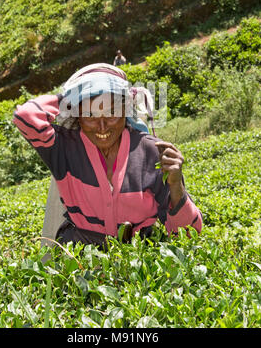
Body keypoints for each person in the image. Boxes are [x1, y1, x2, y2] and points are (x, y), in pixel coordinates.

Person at [13, 63, 202, 248]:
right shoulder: (64, 148)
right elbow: (25, 116)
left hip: (138, 260)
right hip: (80, 260)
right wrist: (73, 94)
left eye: (112, 113)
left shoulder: (151, 152)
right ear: (77, 115)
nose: (102, 126)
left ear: (125, 112)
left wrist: (176, 186)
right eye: (90, 115)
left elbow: (188, 234)